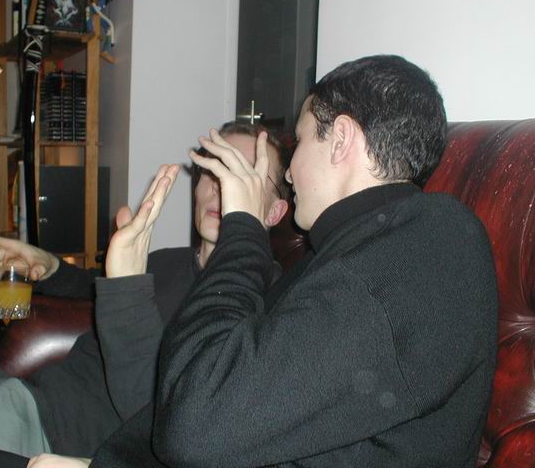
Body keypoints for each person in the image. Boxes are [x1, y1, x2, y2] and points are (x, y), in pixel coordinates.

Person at [66, 54, 496, 468]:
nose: (289, 173)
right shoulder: (339, 256)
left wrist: (243, 229)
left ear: (341, 139)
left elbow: (195, 421)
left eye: (301, 141)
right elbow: (207, 406)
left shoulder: (430, 244)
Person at [0, 122, 290, 459]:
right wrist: (48, 264)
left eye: (242, 178)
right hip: (20, 395)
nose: (221, 188)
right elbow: (95, 291)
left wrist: (127, 286)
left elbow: (168, 420)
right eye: (214, 170)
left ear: (273, 211)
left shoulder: (264, 310)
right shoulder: (170, 261)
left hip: (47, 439)